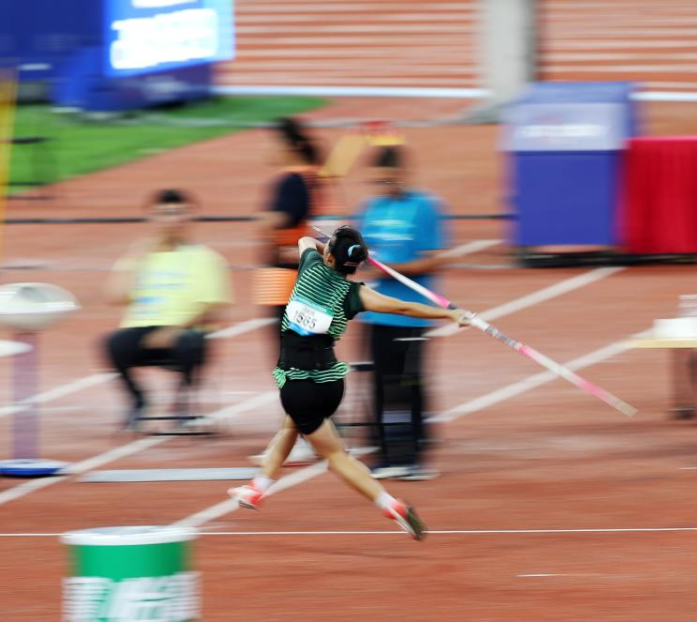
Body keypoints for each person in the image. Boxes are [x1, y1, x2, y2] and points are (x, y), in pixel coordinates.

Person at [227, 227, 472, 540]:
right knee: (293, 426)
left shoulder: (311, 267)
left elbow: (305, 240)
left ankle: (390, 504)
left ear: (328, 255)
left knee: (335, 455)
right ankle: (256, 488)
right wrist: (450, 315)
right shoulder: (355, 294)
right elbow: (403, 307)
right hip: (330, 383)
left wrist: (331, 244)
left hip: (298, 384)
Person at [353, 145, 450, 480]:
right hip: (376, 311)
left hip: (411, 313)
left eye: (388, 180)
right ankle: (384, 453)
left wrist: (396, 269)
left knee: (409, 383)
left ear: (402, 174)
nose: (383, 187)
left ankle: (415, 455)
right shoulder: (370, 208)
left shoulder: (424, 206)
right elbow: (361, 255)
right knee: (379, 384)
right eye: (377, 182)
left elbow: (437, 258)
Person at [103, 189, 233, 430]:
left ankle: (181, 401)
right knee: (113, 343)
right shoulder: (141, 257)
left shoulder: (206, 258)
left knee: (189, 341)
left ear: (189, 218)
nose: (171, 220)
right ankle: (138, 400)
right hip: (142, 329)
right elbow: (115, 295)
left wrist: (173, 330)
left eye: (177, 213)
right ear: (152, 218)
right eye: (164, 214)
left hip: (186, 331)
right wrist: (137, 254)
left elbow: (212, 308)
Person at [251, 117, 326, 466]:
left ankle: (303, 433)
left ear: (290, 145)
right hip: (287, 278)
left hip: (287, 281)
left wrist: (263, 220)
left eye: (272, 142)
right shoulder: (306, 176)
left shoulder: (292, 180)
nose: (266, 149)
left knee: (290, 363)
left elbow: (276, 223)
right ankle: (309, 429)